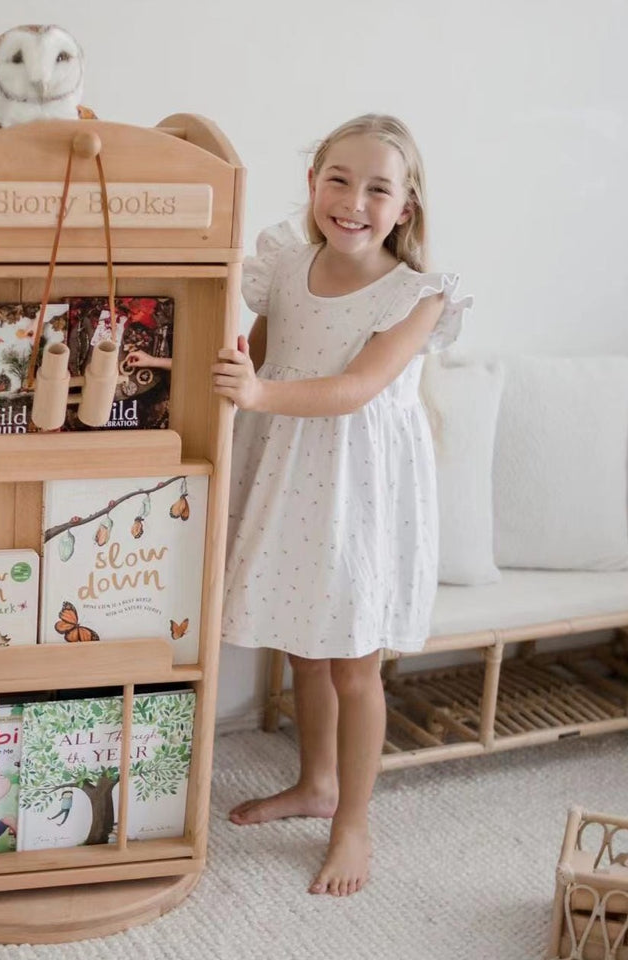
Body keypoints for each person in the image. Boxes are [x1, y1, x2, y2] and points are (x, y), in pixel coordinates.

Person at [212, 114, 471, 897]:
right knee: (304, 641)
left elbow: (357, 387)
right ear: (313, 183)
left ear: (406, 207)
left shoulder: (418, 294)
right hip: (289, 470)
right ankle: (315, 781)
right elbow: (257, 352)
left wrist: (258, 391)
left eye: (377, 188)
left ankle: (352, 819)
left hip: (359, 489)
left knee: (355, 662)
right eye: (338, 179)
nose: (353, 200)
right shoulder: (289, 265)